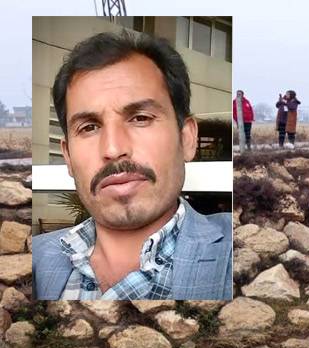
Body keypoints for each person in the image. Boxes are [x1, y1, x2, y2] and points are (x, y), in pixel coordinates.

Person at [31, 30, 232, 300]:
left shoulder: (236, 251)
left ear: (187, 138)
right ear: (67, 157)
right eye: (89, 127)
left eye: (140, 118)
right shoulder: (32, 260)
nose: (113, 149)